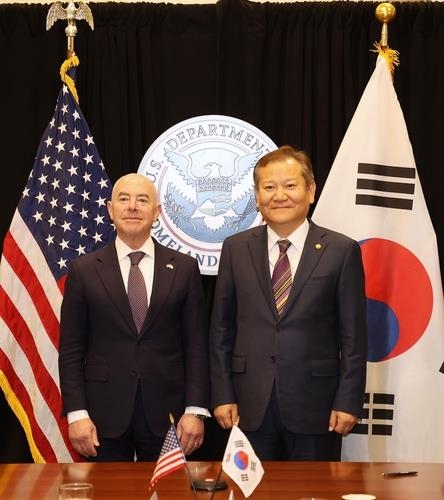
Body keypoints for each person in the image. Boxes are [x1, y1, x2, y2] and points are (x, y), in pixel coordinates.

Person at [210, 145, 367, 461]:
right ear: (257, 196)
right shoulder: (235, 249)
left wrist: (348, 401)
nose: (278, 195)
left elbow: (354, 337)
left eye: (290, 185)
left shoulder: (341, 250)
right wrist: (222, 393)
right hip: (248, 405)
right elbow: (221, 329)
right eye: (268, 187)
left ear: (310, 191)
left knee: (312, 494)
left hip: (317, 406)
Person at [59, 173, 210, 461]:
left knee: (169, 494)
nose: (132, 207)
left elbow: (197, 347)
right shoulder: (83, 270)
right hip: (102, 415)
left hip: (170, 415)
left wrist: (195, 411)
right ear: (110, 209)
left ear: (157, 212)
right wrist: (76, 413)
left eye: (143, 200)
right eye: (124, 199)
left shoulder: (184, 268)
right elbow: (71, 350)